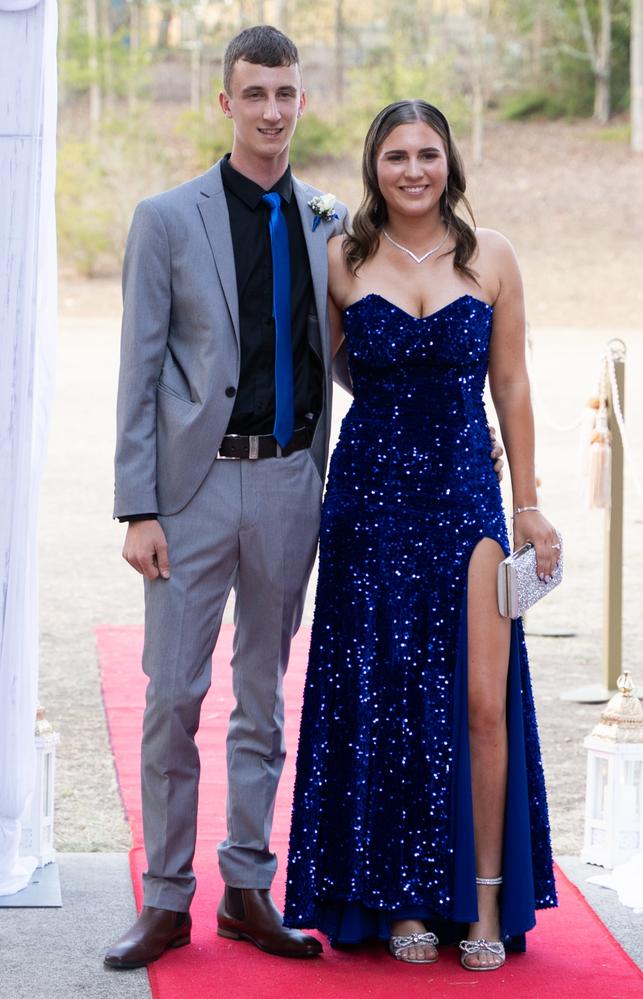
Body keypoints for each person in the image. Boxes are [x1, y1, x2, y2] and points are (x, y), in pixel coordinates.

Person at [284, 99, 559, 971]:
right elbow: (315, 385)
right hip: (369, 504)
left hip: (465, 499)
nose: (412, 169)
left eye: (428, 154)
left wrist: (528, 501)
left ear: (450, 163)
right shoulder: (342, 258)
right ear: (374, 166)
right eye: (396, 154)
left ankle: (483, 903)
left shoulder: (493, 257)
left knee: (484, 701)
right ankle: (400, 894)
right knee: (389, 697)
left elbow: (511, 386)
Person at [104, 25, 347, 968]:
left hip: (291, 478)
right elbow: (140, 370)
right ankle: (167, 897)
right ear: (225, 102)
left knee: (263, 697)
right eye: (255, 94)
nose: (273, 112)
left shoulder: (330, 220)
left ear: (301, 100)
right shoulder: (167, 218)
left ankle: (248, 885)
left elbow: (354, 347)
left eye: (286, 94)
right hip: (192, 491)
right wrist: (139, 507)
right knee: (172, 694)